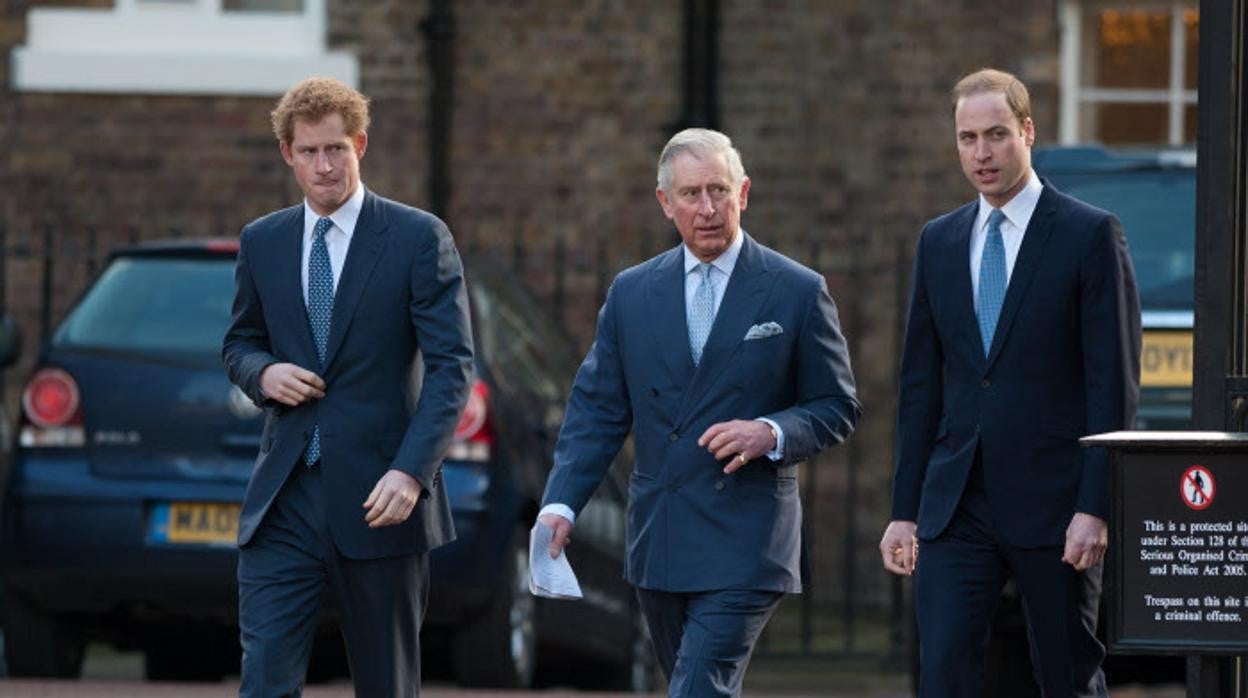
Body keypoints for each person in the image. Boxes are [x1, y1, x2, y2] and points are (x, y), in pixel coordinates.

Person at [538, 128, 861, 697]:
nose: (707, 208)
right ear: (666, 203)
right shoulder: (632, 293)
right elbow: (597, 411)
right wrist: (563, 501)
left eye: (719, 190)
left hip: (748, 536)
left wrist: (771, 431)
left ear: (744, 193)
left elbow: (836, 405)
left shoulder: (796, 290)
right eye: (691, 194)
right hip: (660, 535)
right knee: (696, 685)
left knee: (697, 688)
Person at [879, 68, 1141, 697]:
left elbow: (1114, 382)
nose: (982, 153)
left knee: (1065, 676)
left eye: (996, 135)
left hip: (1055, 503)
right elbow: (921, 387)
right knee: (942, 672)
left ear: (1027, 131)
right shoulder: (938, 241)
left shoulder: (1087, 234)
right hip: (957, 502)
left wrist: (1095, 506)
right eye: (968, 138)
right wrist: (904, 512)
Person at [223, 76, 474, 697]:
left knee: (386, 686)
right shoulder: (263, 241)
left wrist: (412, 472)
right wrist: (264, 373)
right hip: (284, 498)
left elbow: (453, 367)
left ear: (360, 144)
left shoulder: (418, 238)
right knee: (263, 683)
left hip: (381, 498)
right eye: (308, 152)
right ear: (288, 154)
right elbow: (239, 343)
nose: (324, 165)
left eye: (337, 148)